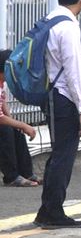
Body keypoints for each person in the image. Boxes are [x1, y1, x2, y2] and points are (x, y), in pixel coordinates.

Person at [36, 0, 81, 228]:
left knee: (58, 154)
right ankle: (53, 212)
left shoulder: (49, 19)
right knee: (63, 157)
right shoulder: (68, 26)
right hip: (64, 98)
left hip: (51, 95)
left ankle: (47, 210)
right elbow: (73, 72)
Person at [0, 49, 39, 187]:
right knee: (5, 131)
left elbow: (2, 102)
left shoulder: (1, 83)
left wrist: (16, 124)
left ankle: (27, 173)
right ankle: (11, 176)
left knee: (14, 130)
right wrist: (21, 125)